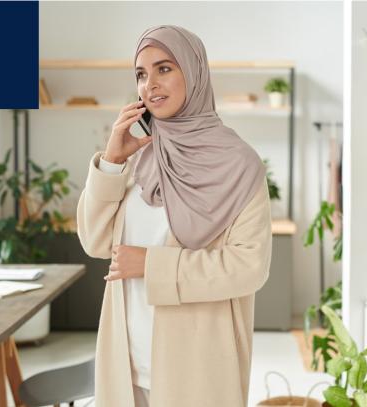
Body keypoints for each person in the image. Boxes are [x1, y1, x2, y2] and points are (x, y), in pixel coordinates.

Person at [76, 25, 273, 407]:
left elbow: (249, 267)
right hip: (126, 364)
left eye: (164, 68)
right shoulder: (138, 159)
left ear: (193, 72)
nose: (150, 84)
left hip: (197, 368)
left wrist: (153, 265)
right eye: (141, 74)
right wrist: (112, 161)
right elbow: (95, 242)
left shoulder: (238, 164)